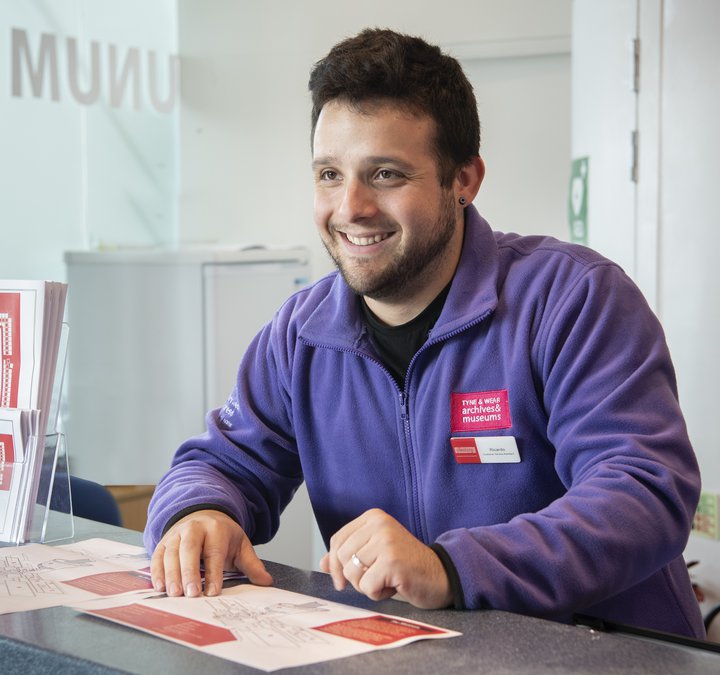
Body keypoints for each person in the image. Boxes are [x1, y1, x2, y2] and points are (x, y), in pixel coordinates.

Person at [144, 28, 705, 638]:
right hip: (407, 653)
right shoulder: (298, 336)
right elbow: (223, 462)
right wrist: (199, 513)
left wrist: (451, 567)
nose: (350, 207)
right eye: (330, 174)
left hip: (598, 655)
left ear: (464, 180)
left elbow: (643, 492)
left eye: (385, 174)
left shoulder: (572, 300)